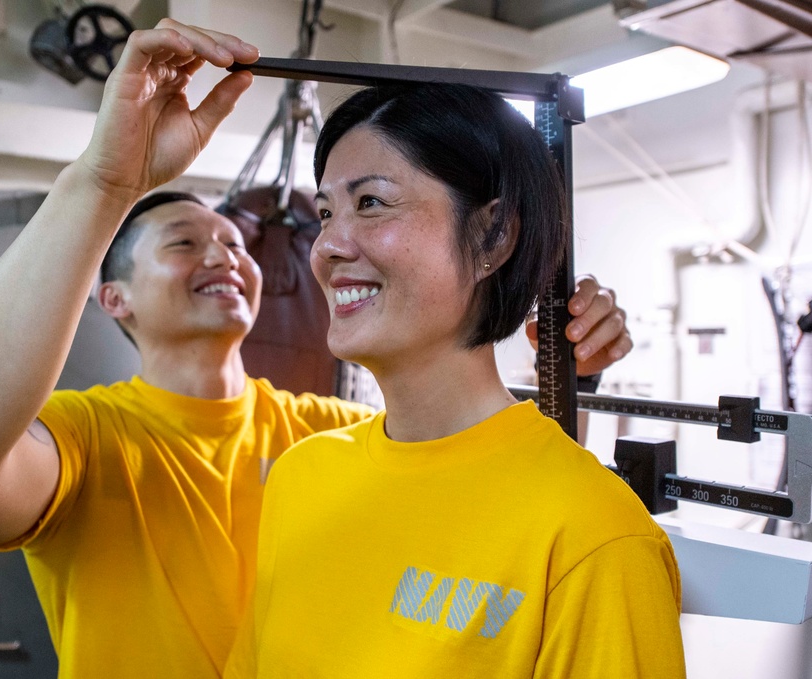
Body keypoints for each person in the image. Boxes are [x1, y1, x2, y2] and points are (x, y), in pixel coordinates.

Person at [0, 19, 634, 679]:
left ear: (493, 232)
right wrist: (104, 183)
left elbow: (497, 494)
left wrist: (571, 375)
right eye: (184, 243)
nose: (228, 255)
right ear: (114, 298)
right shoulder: (97, 438)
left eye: (236, 242)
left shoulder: (316, 438)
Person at [224, 83, 684, 677]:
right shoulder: (300, 476)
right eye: (327, 213)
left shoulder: (595, 534)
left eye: (371, 202)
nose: (328, 246)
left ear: (493, 235)